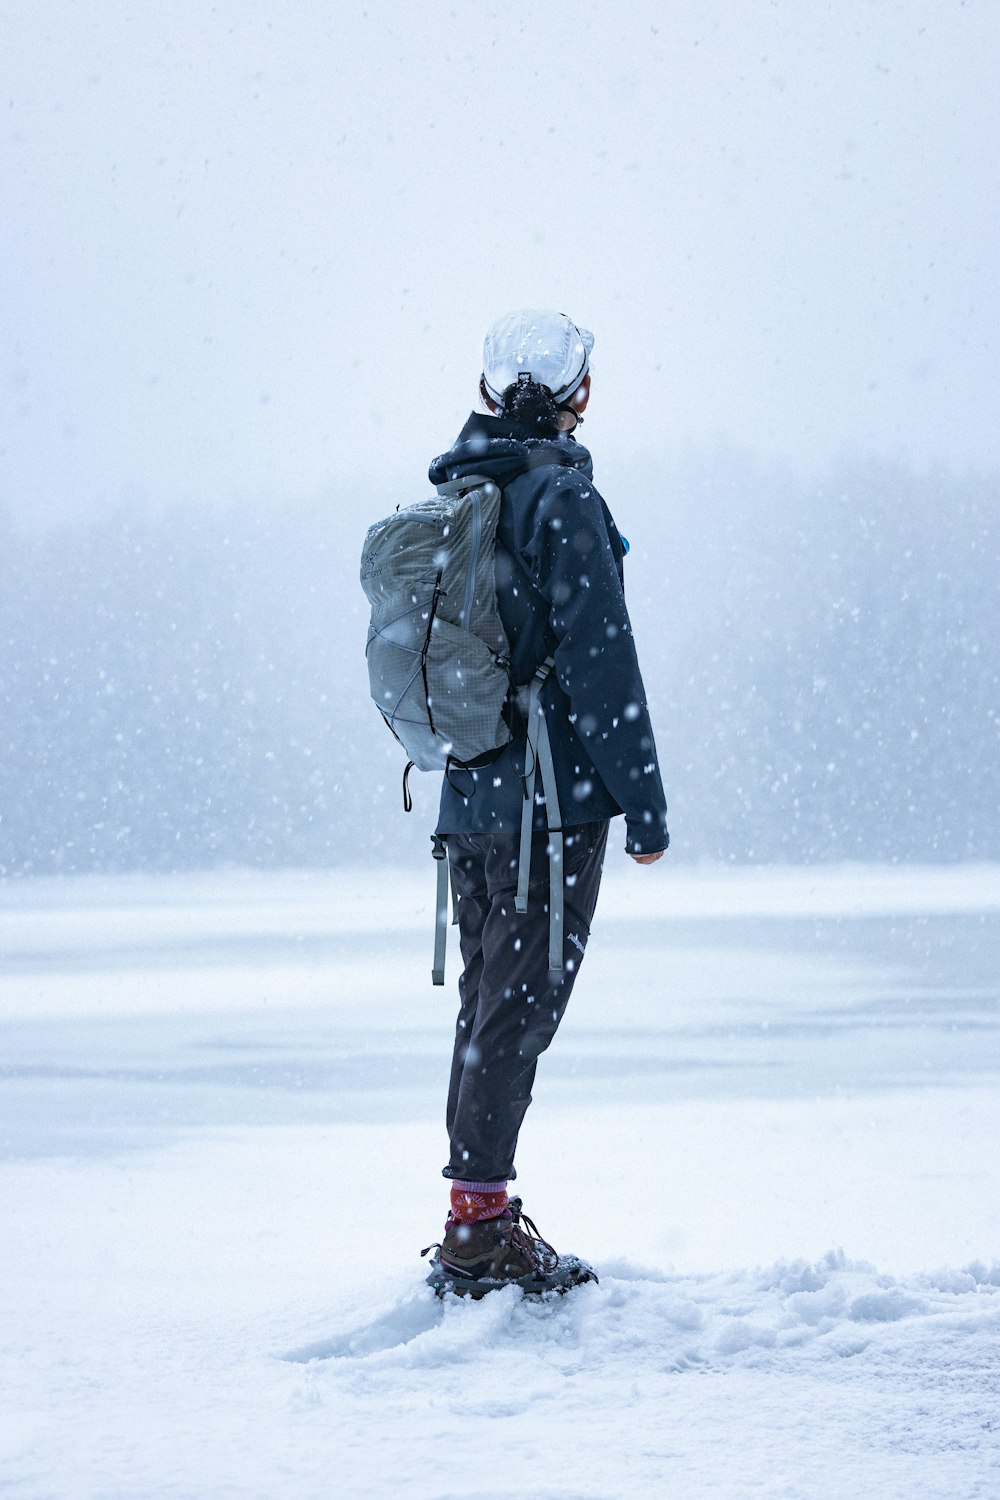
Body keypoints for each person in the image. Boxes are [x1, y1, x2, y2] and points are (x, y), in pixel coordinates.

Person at [424, 309, 669, 1292]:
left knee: (488, 1008)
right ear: (583, 395)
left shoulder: (456, 495)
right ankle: (478, 1236)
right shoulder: (560, 503)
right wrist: (643, 807)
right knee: (515, 1015)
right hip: (548, 805)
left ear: (486, 394)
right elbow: (603, 666)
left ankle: (473, 1217)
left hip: (468, 793)